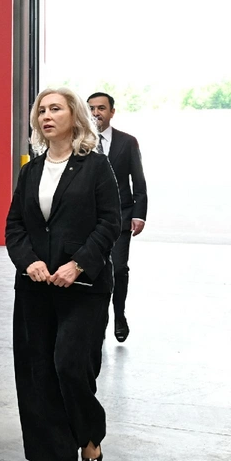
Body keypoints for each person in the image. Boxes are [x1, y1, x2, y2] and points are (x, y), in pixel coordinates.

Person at [6, 87, 120, 461]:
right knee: (37, 371)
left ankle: (88, 433)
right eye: (41, 110)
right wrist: (29, 262)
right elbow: (15, 226)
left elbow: (110, 222)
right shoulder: (30, 170)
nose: (46, 116)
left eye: (55, 108)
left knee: (70, 365)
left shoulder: (96, 166)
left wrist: (78, 264)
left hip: (83, 286)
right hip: (35, 286)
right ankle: (49, 455)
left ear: (74, 116)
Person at [87, 92, 147, 342]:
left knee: (119, 268)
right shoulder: (81, 141)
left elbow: (138, 180)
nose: (96, 113)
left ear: (112, 112)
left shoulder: (127, 142)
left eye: (101, 108)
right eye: (91, 108)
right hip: (88, 218)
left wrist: (139, 214)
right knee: (91, 269)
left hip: (121, 216)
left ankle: (119, 314)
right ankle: (96, 320)